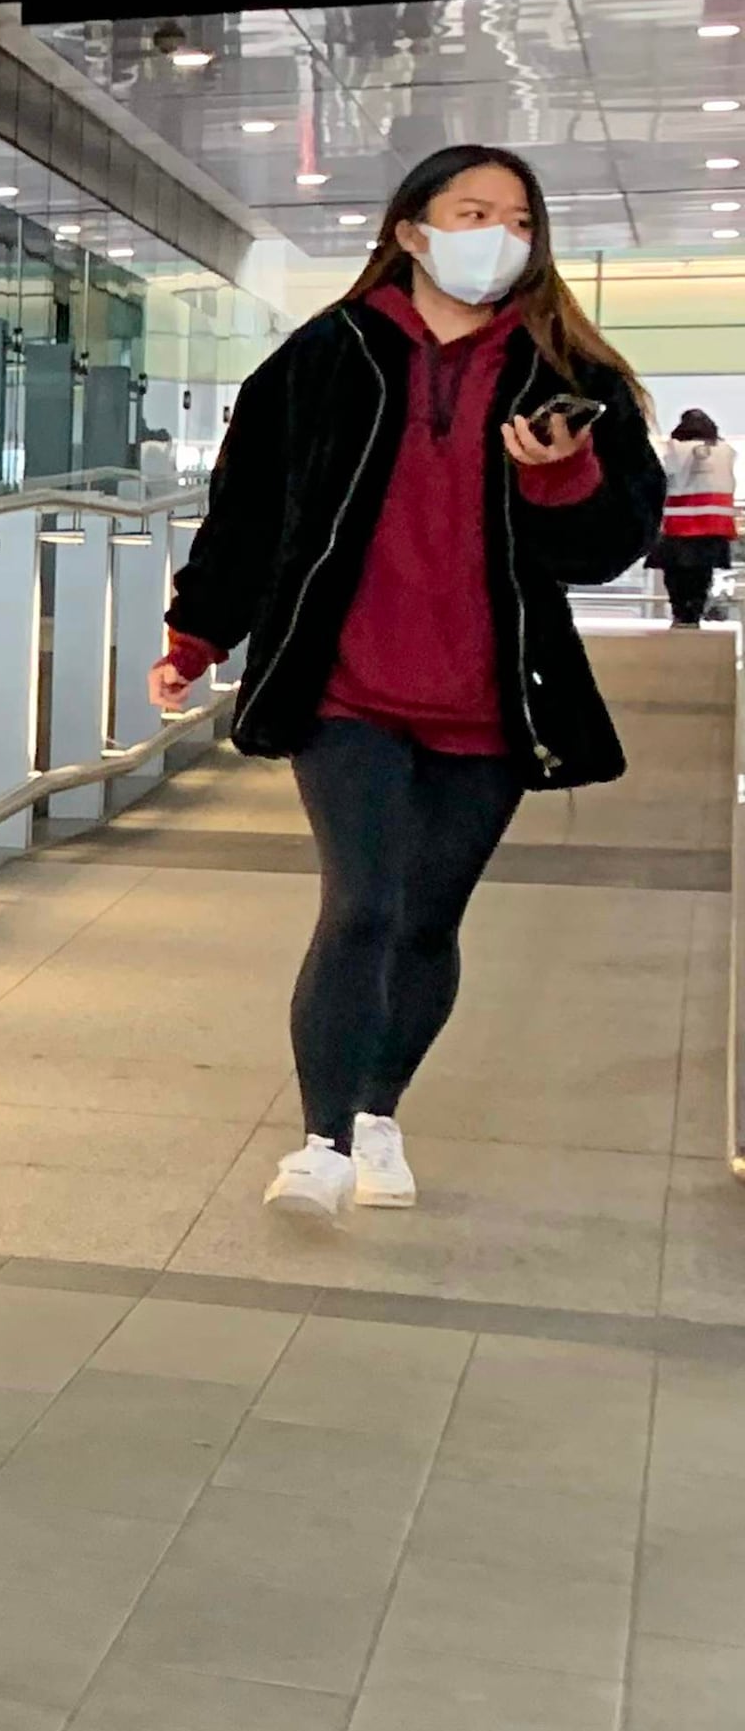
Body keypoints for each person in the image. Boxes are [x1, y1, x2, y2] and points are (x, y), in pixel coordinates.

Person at [153, 146, 662, 1217]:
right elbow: (249, 510)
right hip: (345, 689)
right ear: (410, 232)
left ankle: (378, 1112)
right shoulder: (323, 355)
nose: (499, 237)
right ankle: (322, 1144)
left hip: (490, 697)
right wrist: (196, 635)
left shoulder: (570, 377)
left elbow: (612, 545)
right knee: (363, 905)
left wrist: (559, 478)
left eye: (518, 221)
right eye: (473, 213)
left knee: (427, 920)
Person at [665, 409, 736, 625]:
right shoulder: (725, 452)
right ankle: (694, 613)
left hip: (678, 524)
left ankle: (680, 613)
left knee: (676, 574)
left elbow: (663, 478)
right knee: (703, 574)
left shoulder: (674, 449)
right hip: (714, 524)